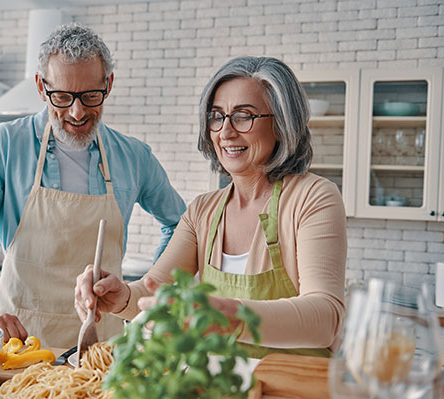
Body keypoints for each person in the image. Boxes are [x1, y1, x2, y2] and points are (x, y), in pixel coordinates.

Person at [75, 56, 347, 358]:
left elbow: (326, 317)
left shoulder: (314, 197)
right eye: (217, 116)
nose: (226, 132)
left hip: (294, 387)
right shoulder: (202, 211)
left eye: (243, 116)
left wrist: (230, 315)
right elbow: (156, 289)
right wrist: (121, 296)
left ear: (282, 123)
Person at [0, 23, 186, 347]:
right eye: (62, 96)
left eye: (90, 96)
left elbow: (182, 228)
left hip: (103, 347)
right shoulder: (4, 145)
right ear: (41, 87)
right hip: (20, 347)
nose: (77, 112)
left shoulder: (134, 156)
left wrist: (149, 289)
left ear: (108, 85)